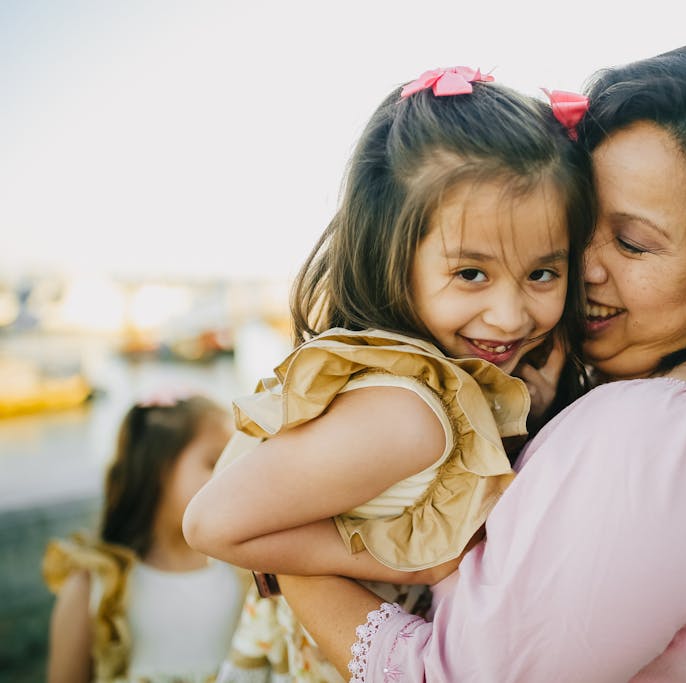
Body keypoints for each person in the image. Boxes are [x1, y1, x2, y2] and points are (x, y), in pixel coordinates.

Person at [275, 43, 686, 682]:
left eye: (634, 243)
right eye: (577, 230)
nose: (585, 267)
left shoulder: (658, 434)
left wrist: (289, 551)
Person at [182, 66, 591, 681]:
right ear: (391, 257)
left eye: (542, 274)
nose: (510, 316)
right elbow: (209, 522)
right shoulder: (409, 415)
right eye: (472, 274)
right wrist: (408, 565)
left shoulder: (432, 383)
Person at [43, 393, 244, 683]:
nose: (233, 475)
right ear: (157, 470)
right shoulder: (95, 585)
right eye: (214, 462)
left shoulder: (243, 571)